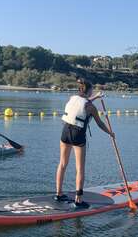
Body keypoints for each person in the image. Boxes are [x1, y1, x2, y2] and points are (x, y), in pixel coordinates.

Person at [55, 79, 115, 208]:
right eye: (92, 90)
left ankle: (59, 194)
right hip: (78, 134)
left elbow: (82, 103)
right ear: (88, 90)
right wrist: (110, 133)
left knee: (62, 164)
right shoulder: (91, 107)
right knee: (80, 168)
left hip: (65, 131)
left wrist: (96, 97)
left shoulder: (72, 98)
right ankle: (78, 200)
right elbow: (99, 123)